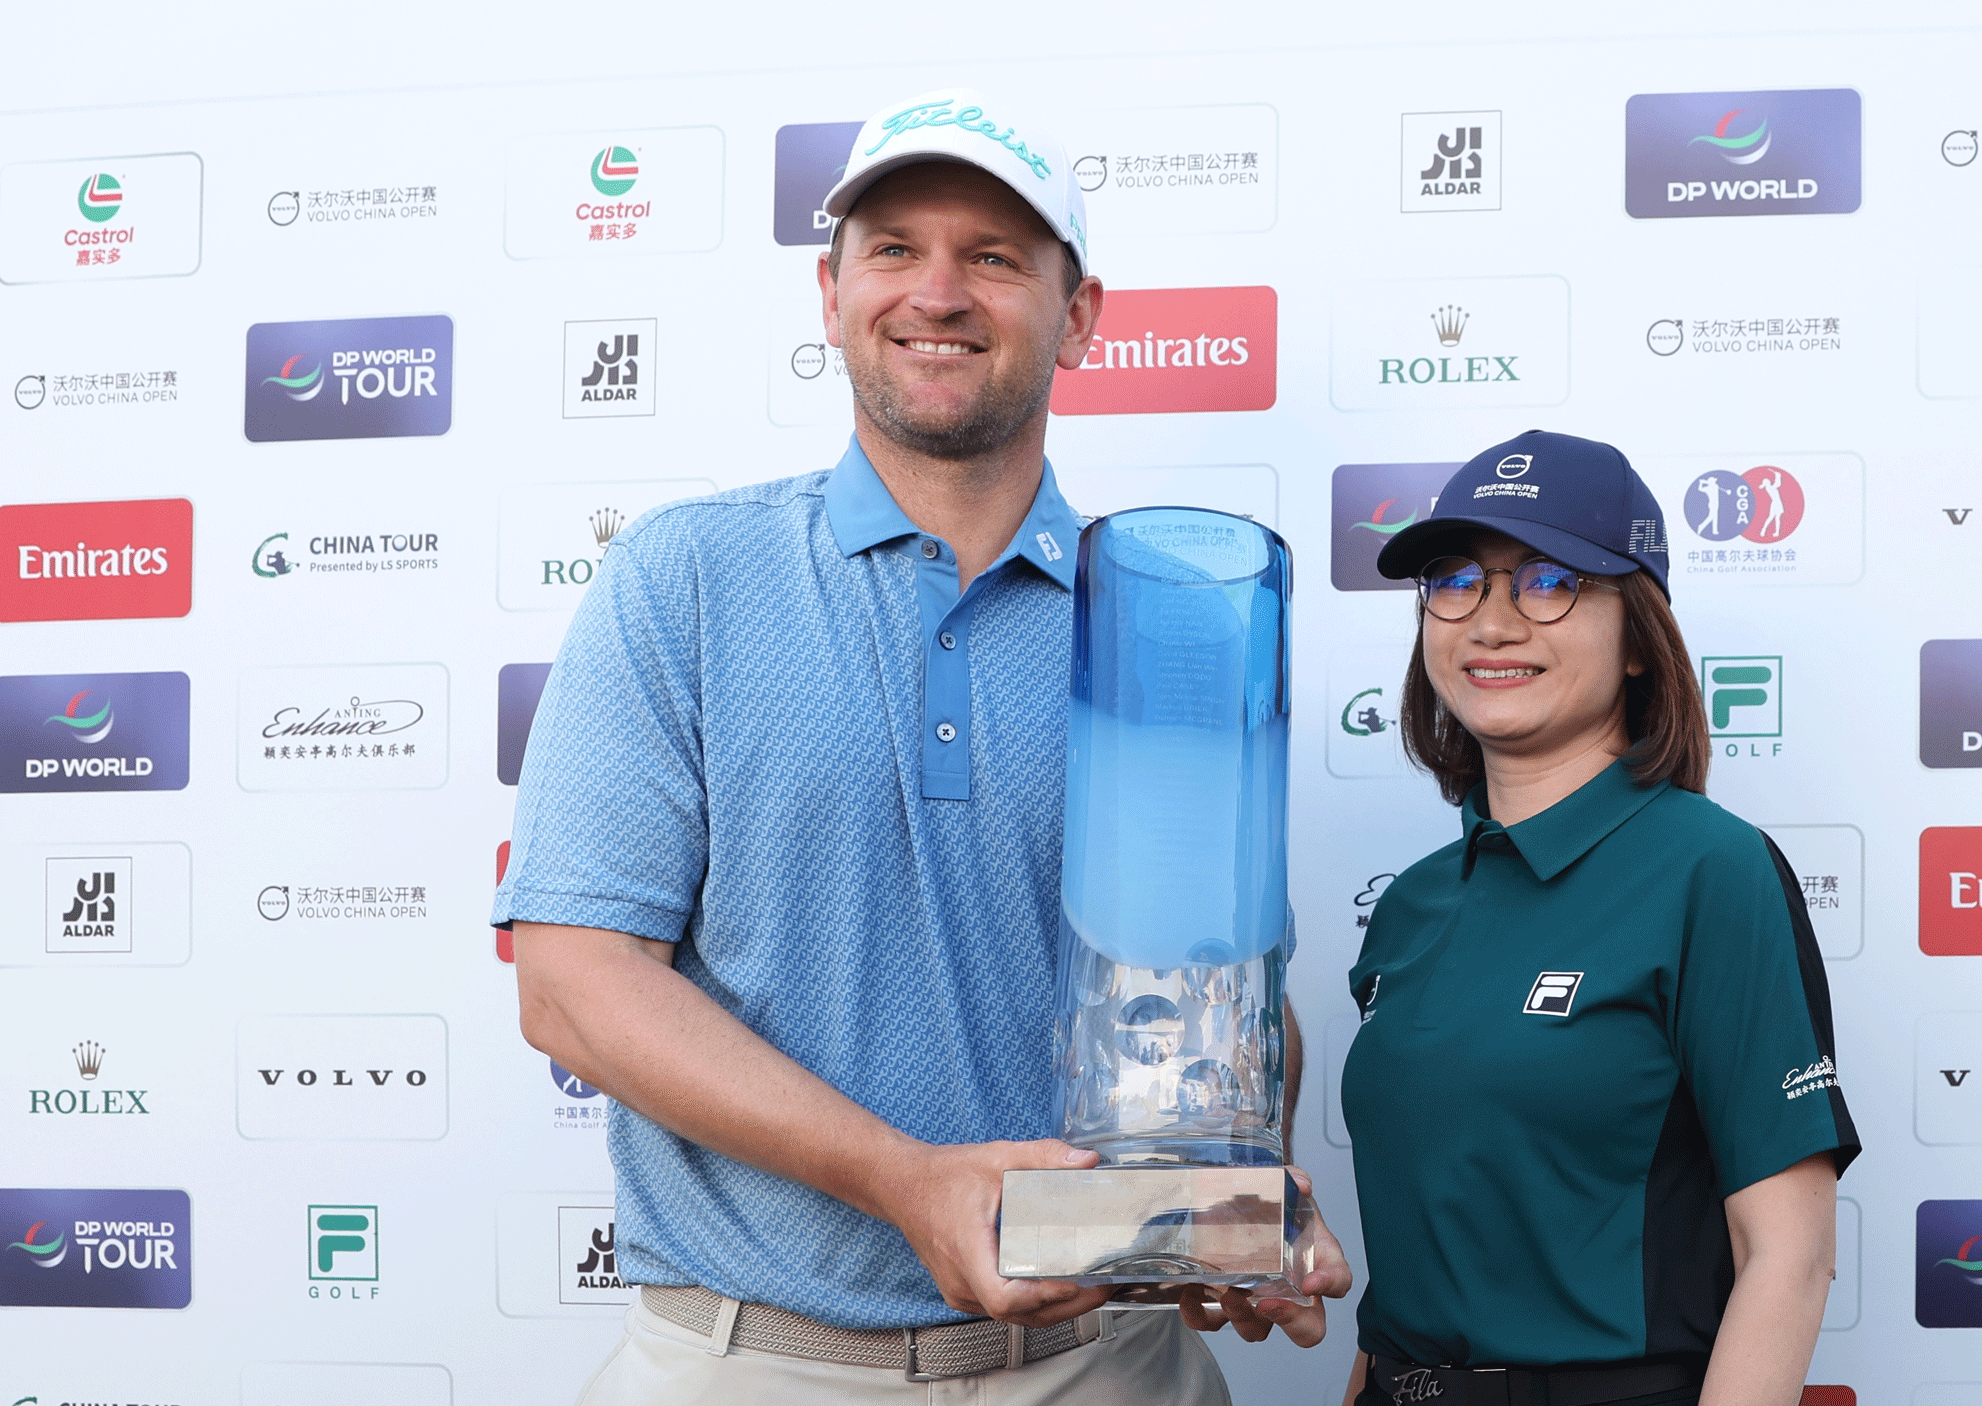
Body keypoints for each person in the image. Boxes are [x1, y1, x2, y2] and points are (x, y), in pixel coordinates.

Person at [495, 88, 1345, 1405]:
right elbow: (573, 984)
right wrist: (906, 1178)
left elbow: (1228, 992)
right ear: (829, 293)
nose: (937, 292)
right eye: (894, 249)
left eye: (996, 257)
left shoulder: (1166, 624)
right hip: (756, 1366)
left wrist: (1219, 1201)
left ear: (1081, 314)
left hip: (1105, 1366)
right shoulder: (687, 580)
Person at [1338, 431, 1860, 1406]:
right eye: (1455, 580)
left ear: (1636, 638)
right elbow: (1414, 1268)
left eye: (1547, 579)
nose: (1491, 621)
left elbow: (1787, 1255)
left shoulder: (1710, 867)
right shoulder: (1410, 903)